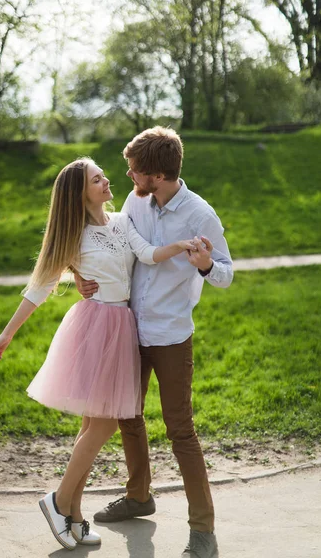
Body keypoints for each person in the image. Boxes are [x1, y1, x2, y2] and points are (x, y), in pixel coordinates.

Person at [0, 157, 196, 553]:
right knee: (104, 425)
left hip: (122, 325)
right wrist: (6, 334)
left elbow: (146, 254)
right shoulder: (74, 234)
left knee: (90, 427)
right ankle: (59, 501)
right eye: (97, 179)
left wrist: (180, 247)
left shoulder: (120, 222)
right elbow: (40, 286)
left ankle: (76, 518)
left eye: (102, 175)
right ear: (80, 194)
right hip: (95, 327)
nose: (106, 181)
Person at [75, 127, 233, 558]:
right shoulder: (134, 202)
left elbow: (226, 274)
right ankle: (139, 496)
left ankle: (203, 532)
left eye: (134, 171)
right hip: (127, 327)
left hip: (170, 335)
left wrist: (204, 266)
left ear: (157, 175)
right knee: (129, 416)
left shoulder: (200, 214)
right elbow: (115, 246)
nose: (127, 176)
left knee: (181, 430)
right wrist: (81, 275)